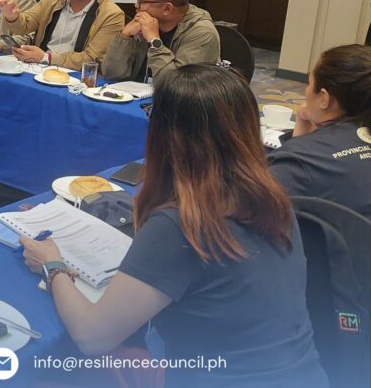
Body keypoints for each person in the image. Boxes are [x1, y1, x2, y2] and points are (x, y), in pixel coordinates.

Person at [22, 65, 327, 388]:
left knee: (56, 370)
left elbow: (91, 336)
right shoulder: (276, 201)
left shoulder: (183, 224)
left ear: (168, 134)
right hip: (307, 375)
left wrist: (53, 265)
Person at [268, 44, 371, 218]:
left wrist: (300, 144)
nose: (305, 91)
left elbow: (251, 213)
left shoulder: (297, 161)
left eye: (309, 83)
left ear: (324, 98)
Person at [101, 0, 220, 82]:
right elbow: (110, 73)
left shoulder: (202, 33)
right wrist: (125, 36)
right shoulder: (144, 22)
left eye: (142, 0)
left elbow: (177, 84)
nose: (136, 5)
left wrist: (154, 41)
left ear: (167, 8)